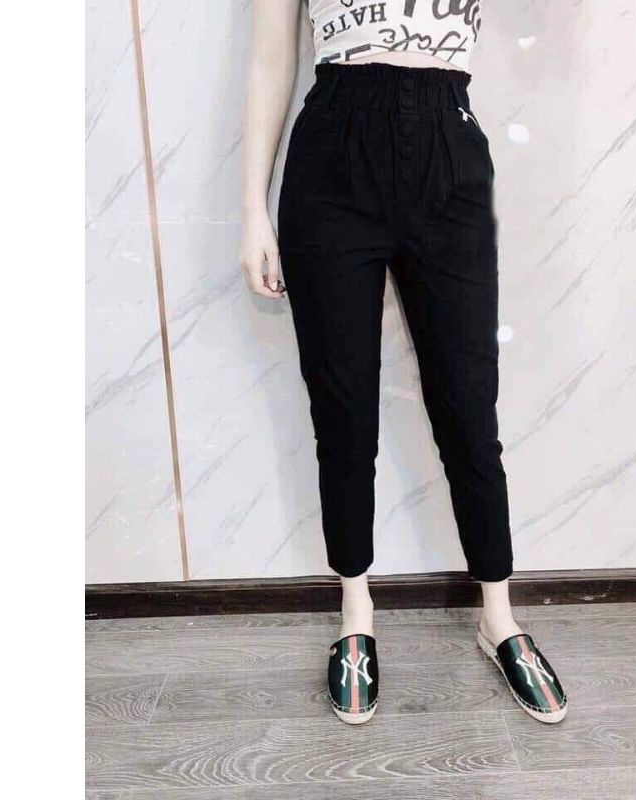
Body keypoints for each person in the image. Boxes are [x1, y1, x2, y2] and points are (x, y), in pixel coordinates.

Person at [240, 0, 567, 725]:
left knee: (467, 403)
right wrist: (253, 211)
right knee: (343, 409)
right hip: (332, 156)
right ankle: (355, 610)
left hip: (448, 147)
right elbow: (270, 58)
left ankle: (498, 616)